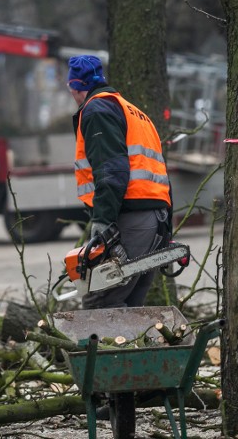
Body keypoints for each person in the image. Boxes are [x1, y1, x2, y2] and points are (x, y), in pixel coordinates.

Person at [67, 55, 173, 309]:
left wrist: (102, 221)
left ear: (74, 86)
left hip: (132, 218)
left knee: (99, 302)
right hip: (155, 219)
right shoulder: (135, 112)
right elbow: (161, 175)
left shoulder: (97, 110)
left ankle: (100, 349)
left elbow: (111, 171)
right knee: (131, 304)